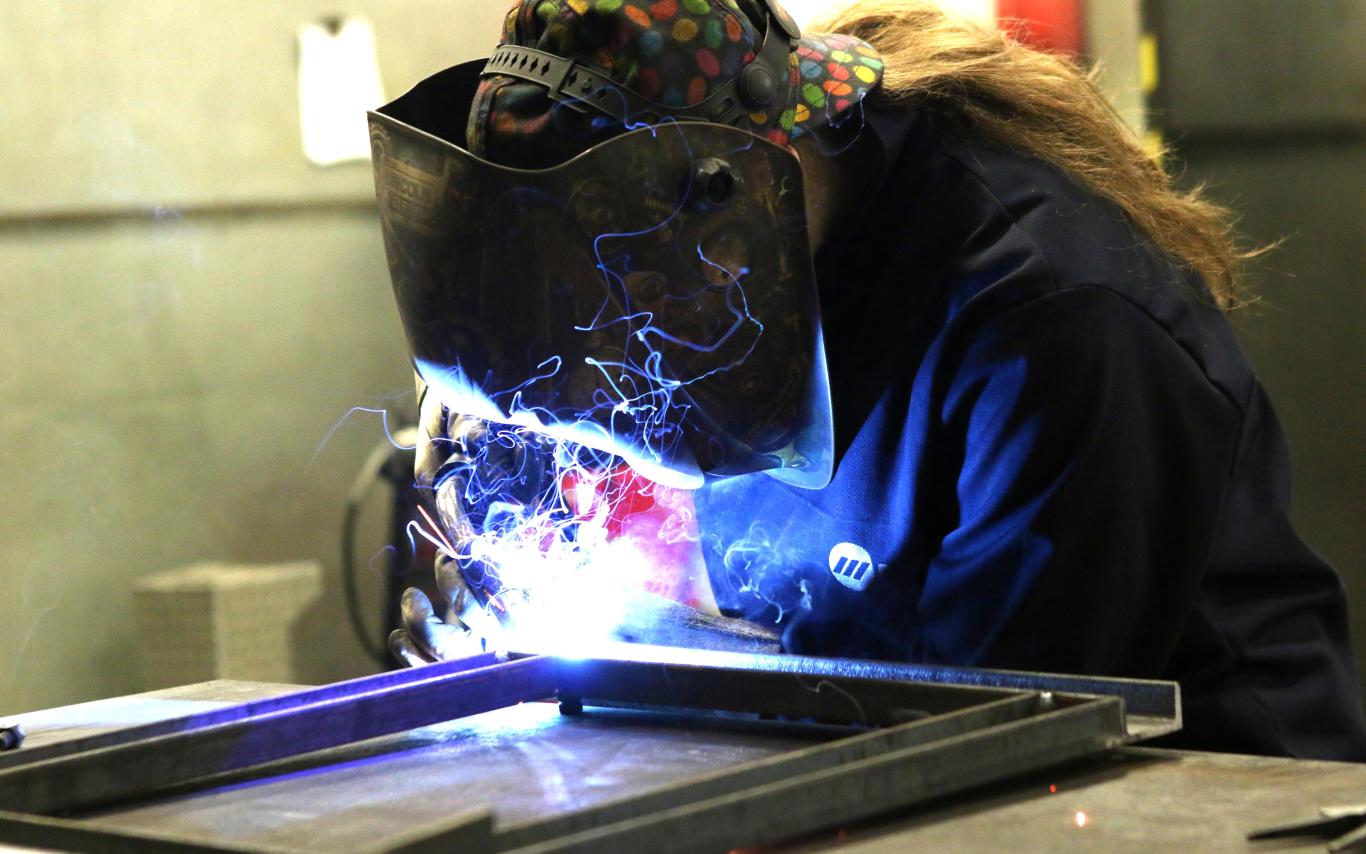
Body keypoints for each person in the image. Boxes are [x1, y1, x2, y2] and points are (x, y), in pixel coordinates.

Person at [377, 0, 1366, 760]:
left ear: (733, 191)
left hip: (1199, 794)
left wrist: (659, 669)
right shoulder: (732, 292)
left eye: (630, 291)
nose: (619, 335)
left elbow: (1000, 730)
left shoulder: (1053, 329)